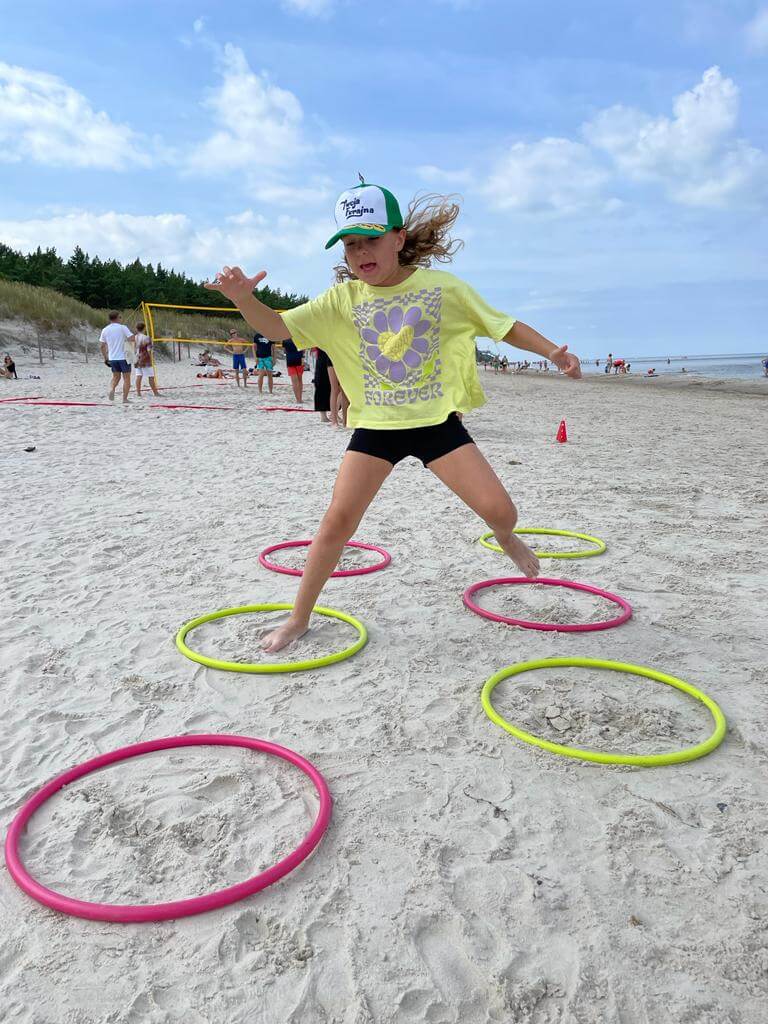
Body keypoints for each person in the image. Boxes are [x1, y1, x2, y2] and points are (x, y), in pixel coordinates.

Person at [205, 181, 582, 653]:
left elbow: (503, 326)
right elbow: (278, 326)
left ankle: (506, 538)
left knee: (502, 511)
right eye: (350, 243)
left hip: (436, 425)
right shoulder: (341, 300)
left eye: (371, 239)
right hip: (376, 430)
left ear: (398, 239)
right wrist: (241, 297)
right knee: (336, 525)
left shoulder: (443, 289)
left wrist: (552, 352)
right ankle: (298, 618)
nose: (360, 252)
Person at [99, 312, 134, 403]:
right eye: (120, 317)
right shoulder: (123, 328)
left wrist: (106, 358)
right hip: (124, 357)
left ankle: (111, 389)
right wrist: (129, 345)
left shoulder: (105, 330)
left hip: (113, 358)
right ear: (118, 318)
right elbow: (132, 338)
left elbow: (102, 346)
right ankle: (125, 399)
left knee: (115, 377)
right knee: (126, 378)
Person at [133, 322, 160, 397]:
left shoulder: (134, 337)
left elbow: (132, 349)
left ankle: (138, 393)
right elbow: (149, 350)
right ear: (144, 328)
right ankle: (155, 393)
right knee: (151, 376)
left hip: (136, 358)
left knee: (139, 376)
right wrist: (151, 358)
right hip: (145, 358)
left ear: (136, 329)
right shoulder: (146, 338)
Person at [282, 337, 305, 403]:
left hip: (297, 359)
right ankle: (298, 399)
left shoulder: (297, 336)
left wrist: (303, 357)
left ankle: (299, 399)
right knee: (295, 380)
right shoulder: (285, 338)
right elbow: (284, 350)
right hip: (291, 360)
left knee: (298, 380)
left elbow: (303, 349)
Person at [313, 347, 332, 422]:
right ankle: (323, 415)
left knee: (332, 387)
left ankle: (333, 414)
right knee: (321, 385)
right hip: (323, 357)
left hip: (330, 355)